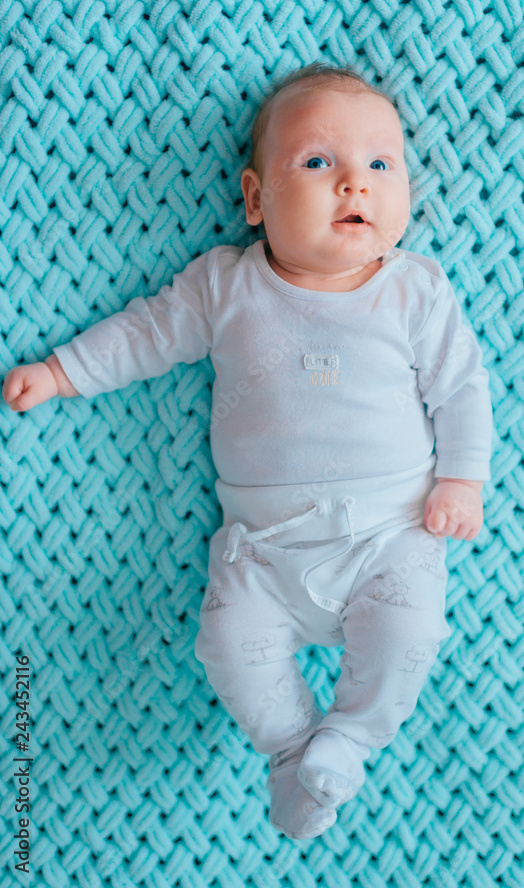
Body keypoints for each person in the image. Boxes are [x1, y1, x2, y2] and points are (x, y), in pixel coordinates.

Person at [3, 63, 493, 840]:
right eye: (317, 162)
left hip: (390, 537)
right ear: (256, 199)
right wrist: (64, 371)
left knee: (411, 634)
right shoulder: (224, 288)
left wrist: (462, 480)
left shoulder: (415, 292)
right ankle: (294, 750)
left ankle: (352, 736)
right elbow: (146, 333)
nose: (352, 186)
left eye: (379, 165)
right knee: (227, 642)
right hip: (262, 553)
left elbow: (461, 388)